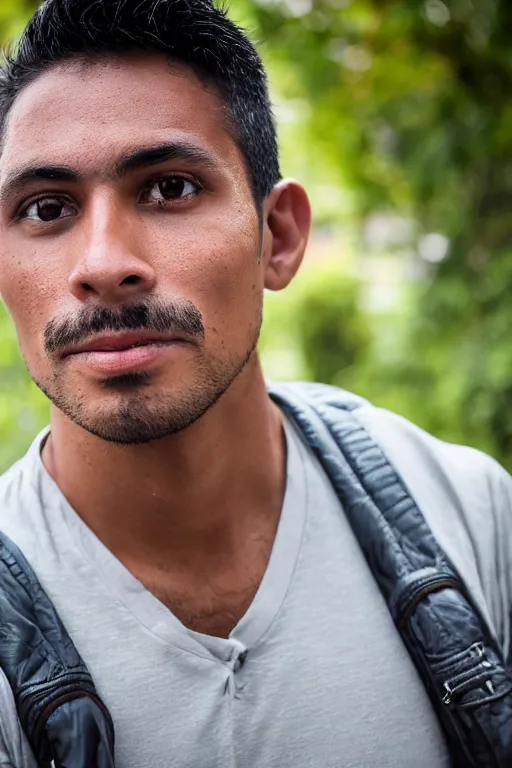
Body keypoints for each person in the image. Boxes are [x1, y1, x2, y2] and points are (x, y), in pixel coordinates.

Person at [0, 0, 511, 766]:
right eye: (46, 208)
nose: (104, 264)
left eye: (169, 188)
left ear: (279, 237)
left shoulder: (475, 522)